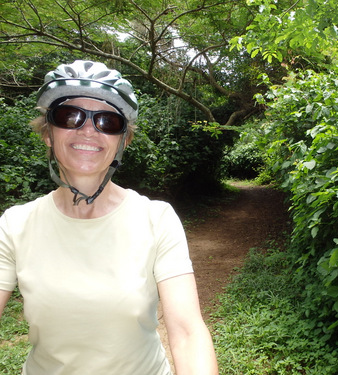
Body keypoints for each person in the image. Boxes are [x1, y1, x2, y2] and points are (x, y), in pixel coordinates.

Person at [0, 60, 219, 375]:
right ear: (48, 134)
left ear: (123, 140)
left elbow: (187, 333)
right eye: (69, 116)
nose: (88, 129)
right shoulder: (14, 225)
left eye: (108, 121)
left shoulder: (157, 219)